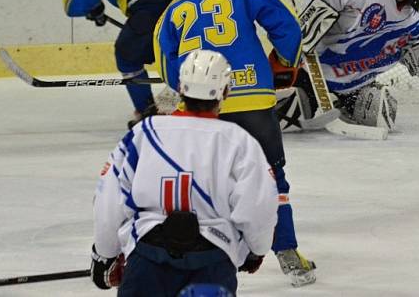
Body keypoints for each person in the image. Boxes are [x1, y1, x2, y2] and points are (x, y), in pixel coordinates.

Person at [153, 0, 317, 287]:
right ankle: (287, 251)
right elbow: (286, 24)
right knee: (272, 176)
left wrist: (190, 85)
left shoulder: (172, 11)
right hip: (253, 98)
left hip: (202, 107)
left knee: (200, 181)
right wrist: (286, 60)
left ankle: (200, 254)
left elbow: (167, 67)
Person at [91, 50, 278, 296]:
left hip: (147, 256)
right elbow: (258, 205)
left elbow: (109, 200)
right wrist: (256, 250)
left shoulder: (142, 134)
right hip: (212, 259)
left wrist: (105, 254)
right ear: (225, 91)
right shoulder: (239, 142)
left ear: (180, 87)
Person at [275, 0, 419, 134]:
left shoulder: (413, 23)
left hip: (358, 85)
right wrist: (310, 21)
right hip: (317, 75)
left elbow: (408, 56)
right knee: (286, 113)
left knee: (383, 116)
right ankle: (307, 96)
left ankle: (342, 103)